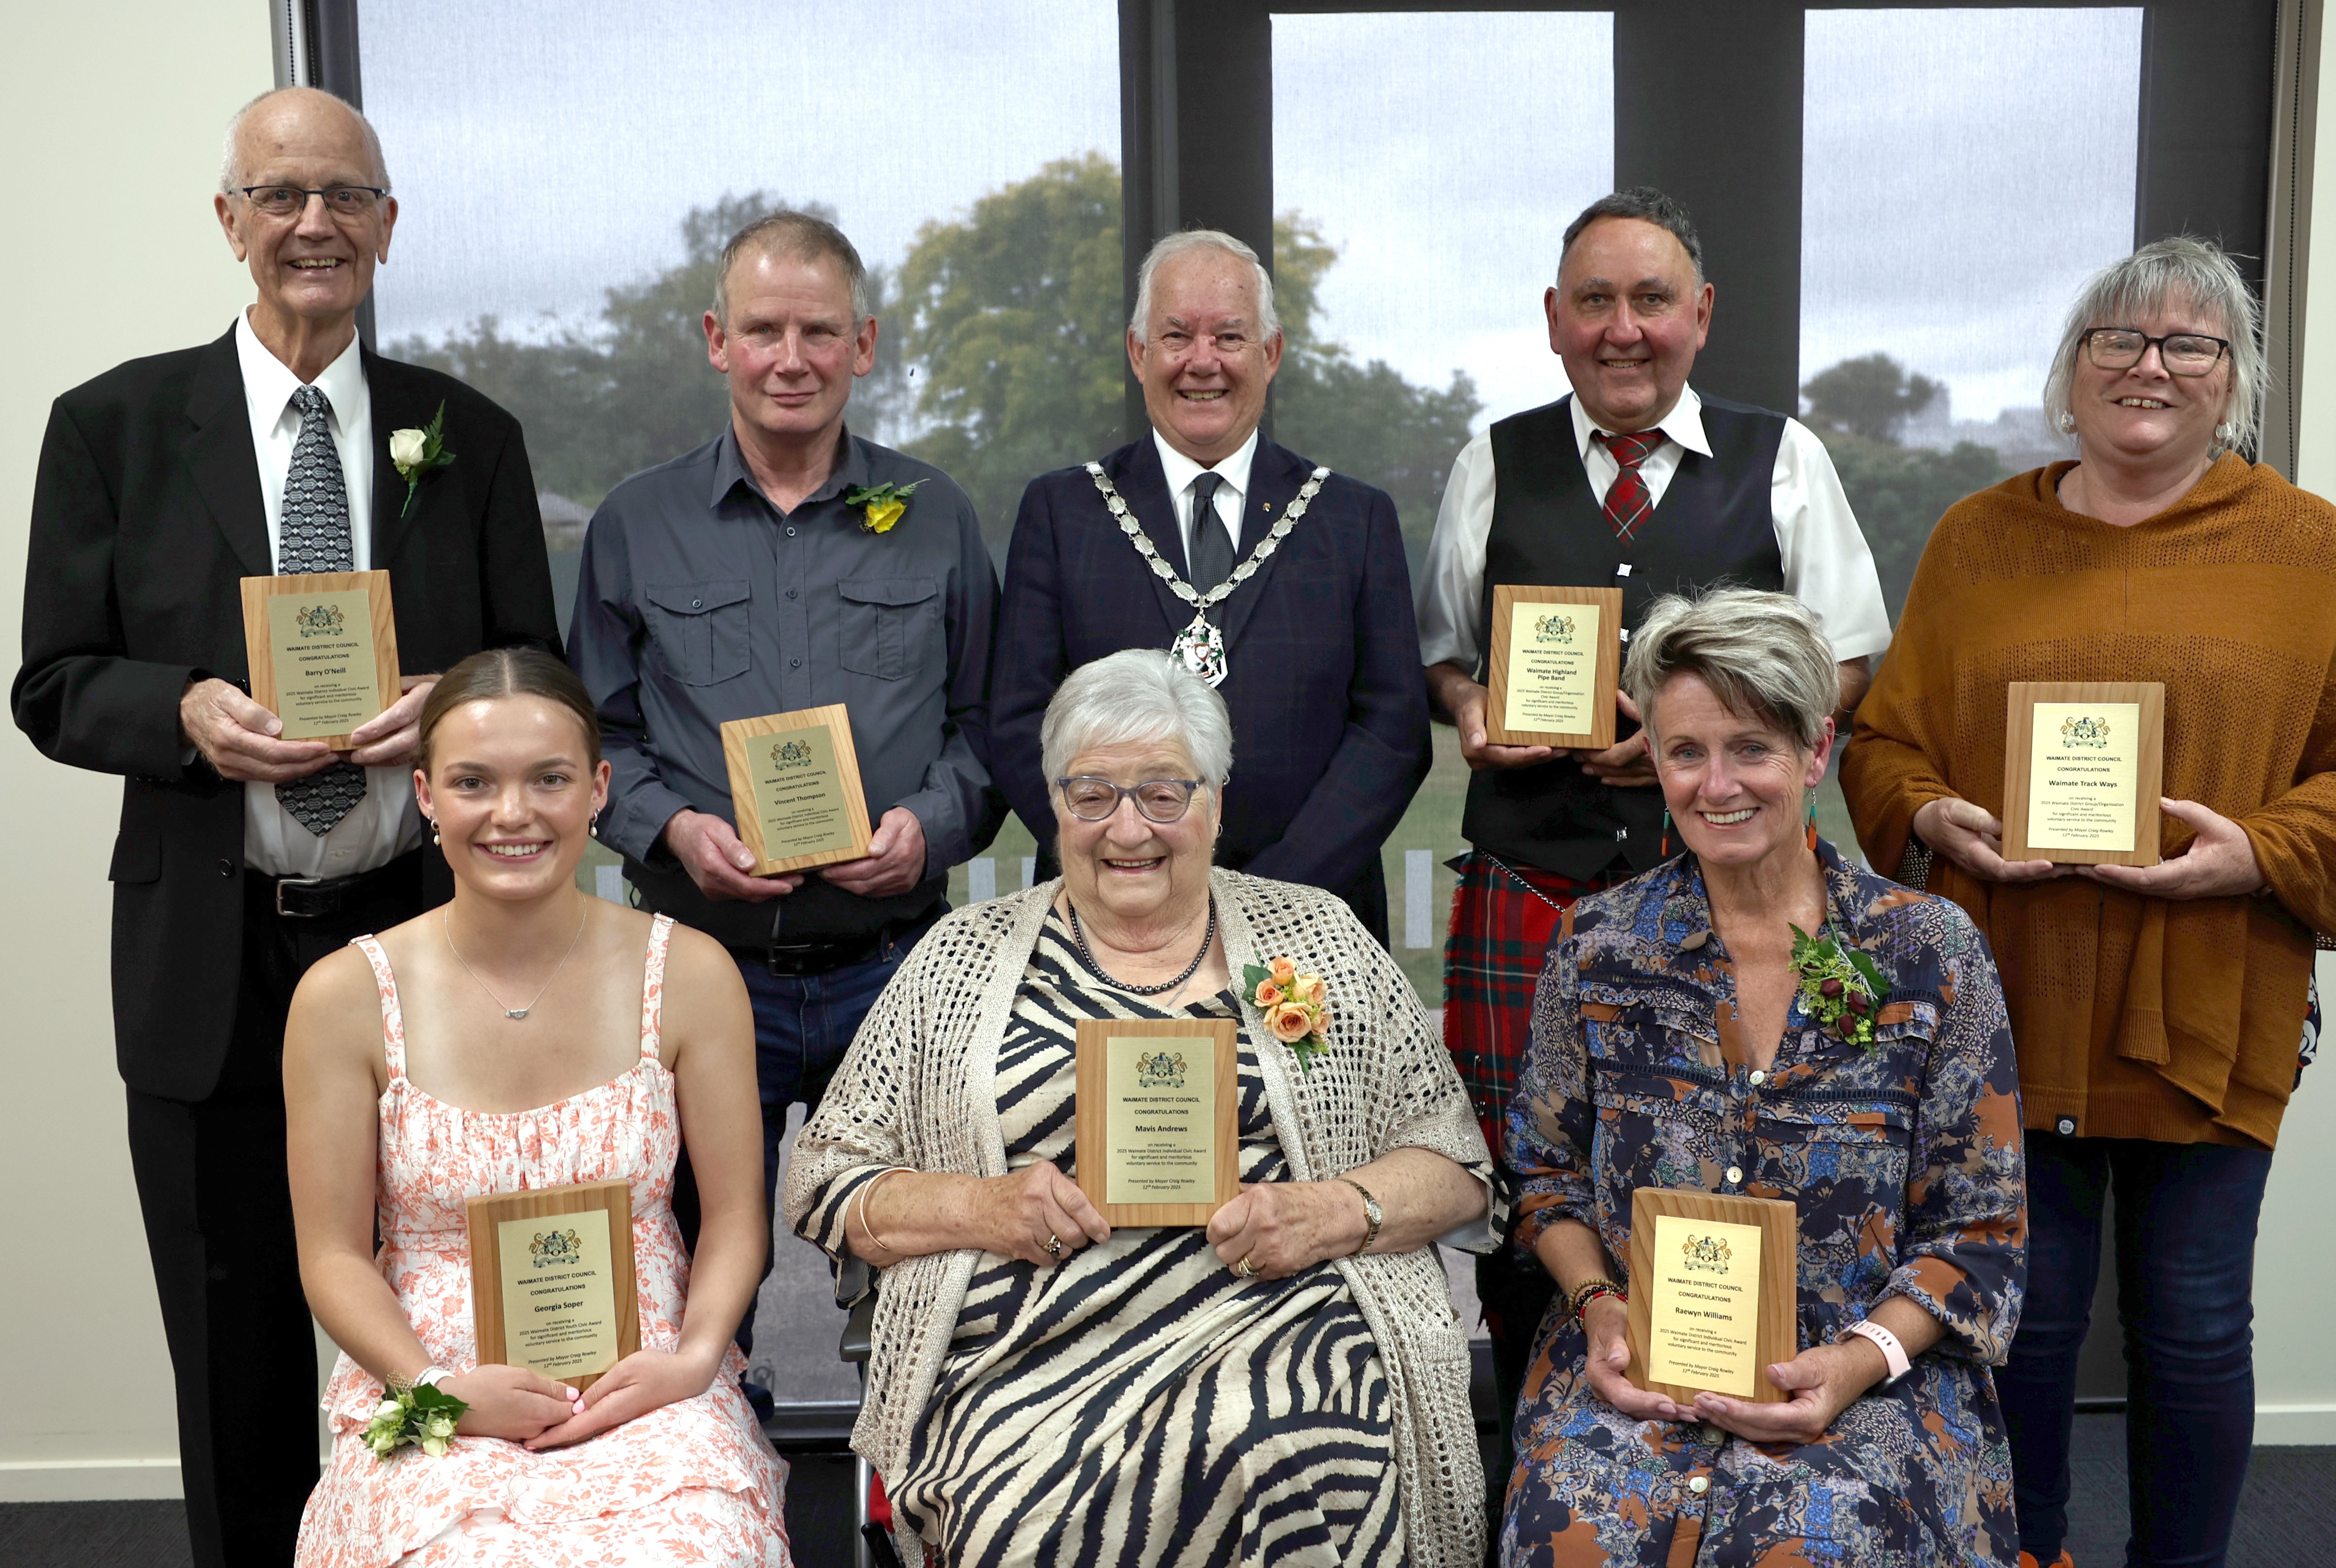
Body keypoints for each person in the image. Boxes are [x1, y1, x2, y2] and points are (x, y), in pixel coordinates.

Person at [10, 88, 558, 1565]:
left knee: (437, 1302)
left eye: (344, 196)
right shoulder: (113, 427)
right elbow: (51, 683)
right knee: (234, 1341)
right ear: (230, 220)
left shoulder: (471, 431)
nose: (313, 223)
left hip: (419, 944)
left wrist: (456, 695)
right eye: (282, 194)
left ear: (387, 224)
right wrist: (183, 710)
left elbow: (539, 671)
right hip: (213, 954)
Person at [1841, 236, 2336, 1568]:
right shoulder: (1979, 536)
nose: (2150, 364)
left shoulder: (2310, 548)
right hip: (2011, 995)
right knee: (2024, 1317)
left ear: (2233, 377)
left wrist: (2262, 847)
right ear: (2071, 371)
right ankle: (2030, 1550)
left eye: (2189, 342)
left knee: (2189, 1322)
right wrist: (1934, 813)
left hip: (2212, 995)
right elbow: (1883, 744)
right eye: (2117, 338)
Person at [788, 649, 1494, 1567]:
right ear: (1053, 805)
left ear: (1216, 802)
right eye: (1092, 795)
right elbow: (825, 1175)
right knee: (1026, 1506)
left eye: (1164, 793)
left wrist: (1325, 1212)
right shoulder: (959, 956)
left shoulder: (1317, 934)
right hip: (1025, 1348)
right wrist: (988, 1207)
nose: (1129, 827)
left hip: (1285, 1317)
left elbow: (1453, 1162)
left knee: (1296, 1451)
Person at [1410, 186, 1892, 1514]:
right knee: (1528, 1187)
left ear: (1700, 315)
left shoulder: (1780, 456)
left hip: (1724, 890)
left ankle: (1741, 1447)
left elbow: (1846, 653)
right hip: (1531, 884)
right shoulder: (1495, 458)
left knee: (1745, 1172)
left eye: (1651, 300)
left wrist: (1700, 740)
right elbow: (1447, 649)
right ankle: (1539, 1469)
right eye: (1595, 302)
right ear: (1556, 322)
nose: (1624, 329)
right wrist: (1471, 713)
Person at [566, 209, 1003, 1415]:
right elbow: (593, 738)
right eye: (763, 329)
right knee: (698, 1288)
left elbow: (992, 730)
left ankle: (909, 1504)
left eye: (820, 331)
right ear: (717, 339)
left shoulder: (936, 514)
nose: (791, 357)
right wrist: (668, 829)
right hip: (703, 976)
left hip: (893, 971)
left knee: (923, 1284)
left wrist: (933, 821)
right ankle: (718, 1510)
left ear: (864, 345)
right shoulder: (634, 525)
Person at [1503, 588, 2025, 1566]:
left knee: (1821, 1547)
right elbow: (1544, 1180)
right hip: (1637, 1363)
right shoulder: (1598, 945)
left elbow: (1979, 1228)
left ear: (1813, 753)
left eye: (1750, 748)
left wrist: (1855, 1363)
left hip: (1863, 1373)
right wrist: (1596, 1307)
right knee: (1571, 1538)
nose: (1716, 785)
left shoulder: (1927, 950)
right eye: (1685, 752)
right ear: (1652, 762)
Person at [287, 647, 791, 1564]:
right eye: (474, 781)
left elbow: (732, 1220)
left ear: (598, 789)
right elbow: (330, 1251)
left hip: (643, 1383)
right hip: (431, 1385)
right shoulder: (345, 994)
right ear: (427, 793)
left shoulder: (688, 972)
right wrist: (436, 1390)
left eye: (549, 779)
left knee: (699, 1547)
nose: (512, 814)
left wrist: (693, 1359)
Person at [989, 229, 1431, 947]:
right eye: (1175, 336)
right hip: (1112, 916)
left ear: (1271, 354)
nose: (1202, 362)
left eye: (1229, 336)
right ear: (1138, 353)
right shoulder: (1062, 512)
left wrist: (1278, 893)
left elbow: (1393, 730)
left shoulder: (1353, 518)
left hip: (1311, 919)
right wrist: (1124, 857)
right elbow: (1016, 721)